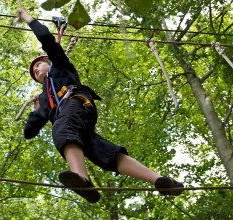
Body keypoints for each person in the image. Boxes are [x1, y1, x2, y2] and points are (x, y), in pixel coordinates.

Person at [19, 8, 184, 203]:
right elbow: (31, 130)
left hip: (76, 103)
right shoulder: (46, 97)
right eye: (33, 71)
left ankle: (81, 178)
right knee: (103, 153)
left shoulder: (60, 66)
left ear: (49, 61)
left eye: (39, 64)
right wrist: (36, 110)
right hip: (75, 118)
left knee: (62, 130)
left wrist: (28, 18)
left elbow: (46, 39)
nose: (36, 68)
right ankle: (161, 181)